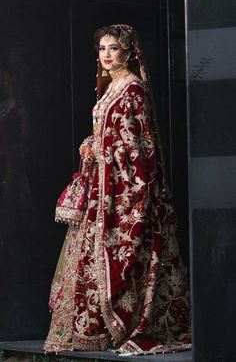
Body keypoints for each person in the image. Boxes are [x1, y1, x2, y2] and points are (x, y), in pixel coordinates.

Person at [44, 24, 191, 354]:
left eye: (113, 48)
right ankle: (94, 331)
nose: (107, 55)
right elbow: (105, 133)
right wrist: (92, 145)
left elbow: (137, 147)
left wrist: (101, 151)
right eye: (102, 49)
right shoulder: (111, 87)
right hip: (102, 186)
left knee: (123, 255)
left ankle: (127, 324)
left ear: (129, 52)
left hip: (122, 191)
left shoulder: (133, 90)